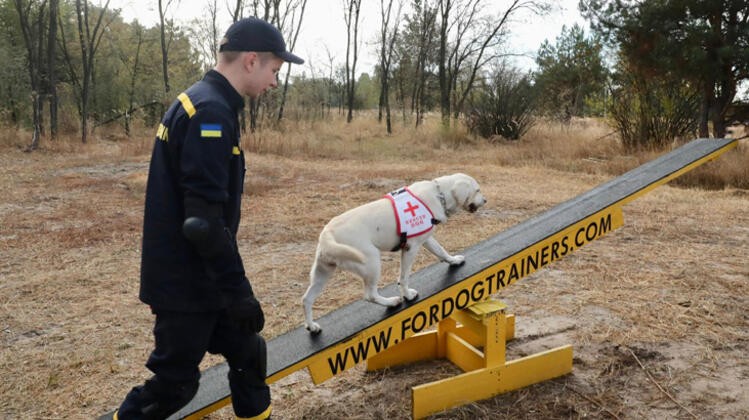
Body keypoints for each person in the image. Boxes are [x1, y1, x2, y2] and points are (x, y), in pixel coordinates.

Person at [113, 17, 303, 420]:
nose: (274, 82)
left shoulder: (203, 101)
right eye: (274, 70)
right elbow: (202, 223)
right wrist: (239, 292)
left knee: (249, 351)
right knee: (174, 386)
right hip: (186, 283)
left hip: (204, 276)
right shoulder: (211, 114)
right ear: (251, 61)